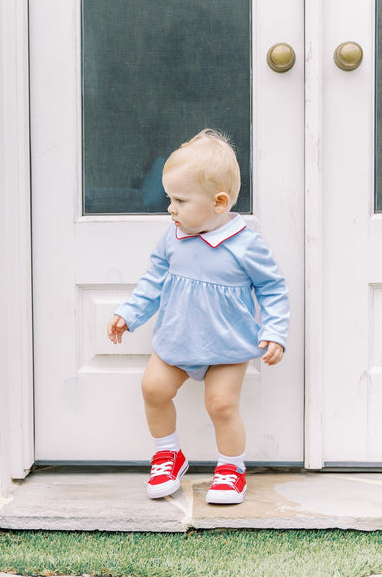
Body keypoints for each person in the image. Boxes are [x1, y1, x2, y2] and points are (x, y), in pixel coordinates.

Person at [107, 129, 289, 504]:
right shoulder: (173, 238)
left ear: (219, 202)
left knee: (221, 405)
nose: (170, 208)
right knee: (153, 388)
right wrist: (129, 314)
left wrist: (275, 330)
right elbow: (153, 281)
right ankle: (168, 453)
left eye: (180, 200)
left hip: (227, 345)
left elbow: (272, 289)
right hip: (176, 339)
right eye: (170, 198)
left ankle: (230, 468)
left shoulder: (246, 245)